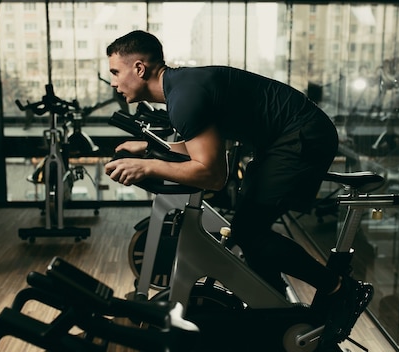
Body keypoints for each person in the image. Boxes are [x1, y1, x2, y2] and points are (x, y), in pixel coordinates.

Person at [104, 30, 373, 345]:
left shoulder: (184, 98)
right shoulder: (182, 89)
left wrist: (148, 166)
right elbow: (201, 150)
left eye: (115, 72)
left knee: (249, 231)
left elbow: (212, 175)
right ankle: (281, 316)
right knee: (250, 235)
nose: (112, 82)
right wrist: (147, 151)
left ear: (139, 69)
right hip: (281, 139)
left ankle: (340, 289)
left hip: (301, 137)